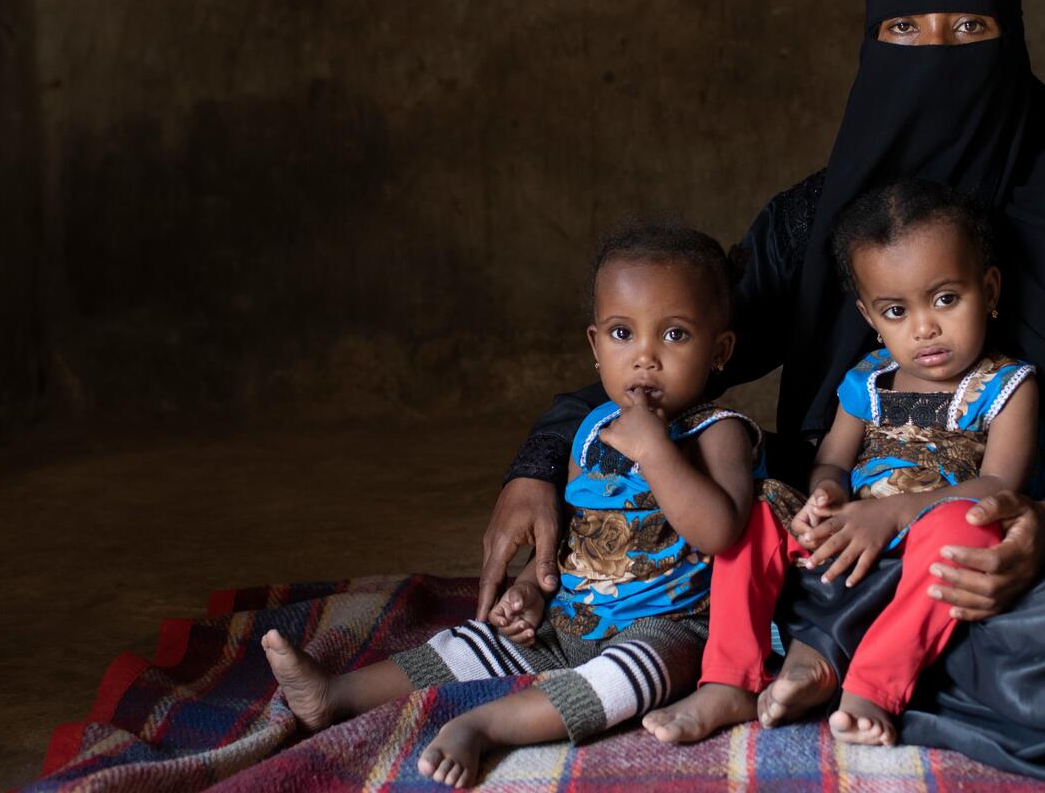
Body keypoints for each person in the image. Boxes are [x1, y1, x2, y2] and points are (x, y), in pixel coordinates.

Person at [481, 0, 1045, 785]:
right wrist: (540, 459)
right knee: (731, 545)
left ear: (1012, 37)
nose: (937, 52)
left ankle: (835, 663)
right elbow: (682, 352)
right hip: (837, 531)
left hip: (1014, 539)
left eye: (970, 30)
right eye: (905, 30)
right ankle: (807, 660)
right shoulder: (820, 220)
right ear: (871, 42)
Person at [263, 222, 782, 788]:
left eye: (675, 335)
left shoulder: (719, 433)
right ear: (594, 345)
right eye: (621, 333)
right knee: (473, 643)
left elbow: (721, 532)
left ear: (721, 351)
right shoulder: (591, 431)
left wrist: (657, 451)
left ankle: (487, 726)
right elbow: (576, 534)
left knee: (631, 679)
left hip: (668, 625)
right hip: (571, 620)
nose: (645, 358)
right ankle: (335, 694)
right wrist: (534, 590)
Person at [645, 177, 1045, 748]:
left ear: (989, 288)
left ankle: (877, 682)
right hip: (851, 531)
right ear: (870, 316)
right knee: (755, 515)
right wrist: (825, 497)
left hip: (926, 531)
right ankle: (730, 677)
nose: (924, 327)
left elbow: (1000, 484)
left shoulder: (1006, 386)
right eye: (895, 310)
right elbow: (830, 461)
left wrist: (897, 513)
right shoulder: (867, 380)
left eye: (945, 299)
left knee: (974, 528)